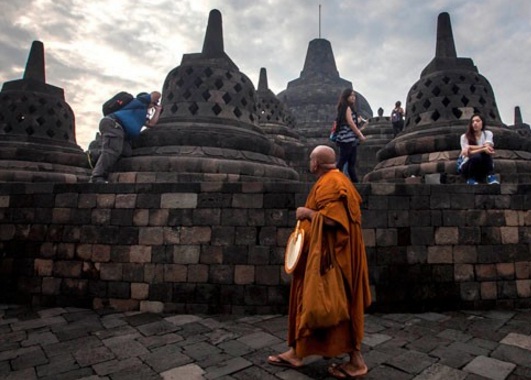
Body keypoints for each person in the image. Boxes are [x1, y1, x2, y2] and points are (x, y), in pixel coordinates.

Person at [267, 145, 372, 379]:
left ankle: (357, 362)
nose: (309, 163)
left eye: (311, 159)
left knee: (335, 303)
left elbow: (336, 220)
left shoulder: (332, 183)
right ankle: (297, 352)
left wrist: (307, 214)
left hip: (332, 260)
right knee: (311, 301)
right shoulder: (334, 180)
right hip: (323, 256)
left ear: (316, 163)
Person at [89, 91, 162, 183]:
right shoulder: (139, 102)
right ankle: (96, 176)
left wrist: (158, 110)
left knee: (126, 152)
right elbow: (157, 94)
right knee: (112, 150)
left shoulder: (142, 114)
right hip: (114, 124)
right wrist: (154, 101)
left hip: (122, 133)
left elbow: (151, 124)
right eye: (154, 102)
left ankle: (99, 156)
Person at [335, 88, 366, 183]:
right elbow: (350, 123)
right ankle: (333, 180)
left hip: (350, 139)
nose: (353, 97)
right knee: (341, 163)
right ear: (346, 97)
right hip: (346, 140)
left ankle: (356, 185)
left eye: (354, 95)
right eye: (351, 95)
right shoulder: (346, 108)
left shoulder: (346, 108)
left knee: (351, 164)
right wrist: (360, 135)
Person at [459, 113, 499, 185]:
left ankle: (491, 177)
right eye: (473, 122)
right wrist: (482, 148)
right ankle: (471, 178)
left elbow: (488, 147)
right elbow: (465, 153)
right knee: (477, 156)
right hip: (467, 166)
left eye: (477, 121)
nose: (475, 123)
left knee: (485, 153)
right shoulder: (464, 137)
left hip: (482, 166)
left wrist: (470, 147)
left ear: (482, 123)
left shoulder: (488, 134)